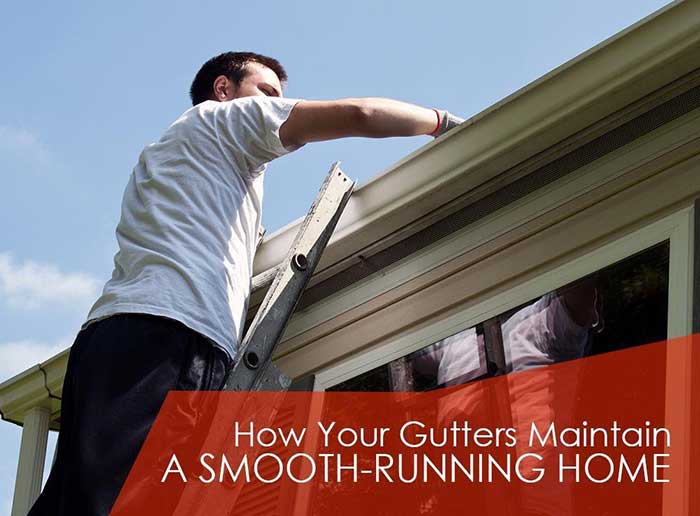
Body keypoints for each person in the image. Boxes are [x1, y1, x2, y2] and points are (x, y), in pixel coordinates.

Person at [28, 51, 464, 515]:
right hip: (171, 335)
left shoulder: (175, 155)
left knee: (76, 501)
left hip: (112, 339)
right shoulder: (228, 118)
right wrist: (445, 124)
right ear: (224, 89)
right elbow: (358, 113)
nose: (279, 103)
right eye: (268, 92)